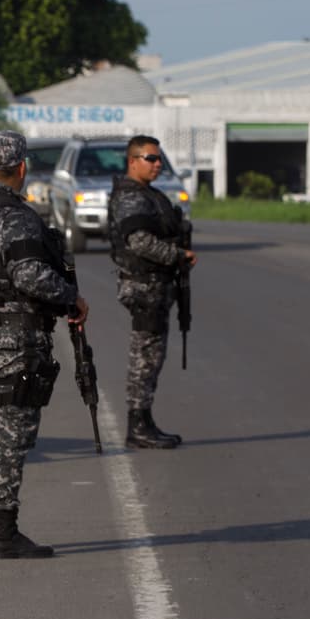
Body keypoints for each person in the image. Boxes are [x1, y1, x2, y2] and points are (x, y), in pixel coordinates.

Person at [0, 130, 89, 559]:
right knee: (12, 437)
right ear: (22, 169)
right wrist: (70, 296)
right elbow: (28, 276)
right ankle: (2, 534)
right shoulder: (16, 217)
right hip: (19, 338)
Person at [108, 135, 198, 449]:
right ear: (133, 161)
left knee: (152, 355)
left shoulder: (148, 195)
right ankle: (138, 424)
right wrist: (177, 256)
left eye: (159, 159)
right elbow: (139, 241)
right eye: (151, 158)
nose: (158, 164)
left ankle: (144, 420)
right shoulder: (132, 197)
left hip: (155, 285)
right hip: (143, 285)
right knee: (145, 356)